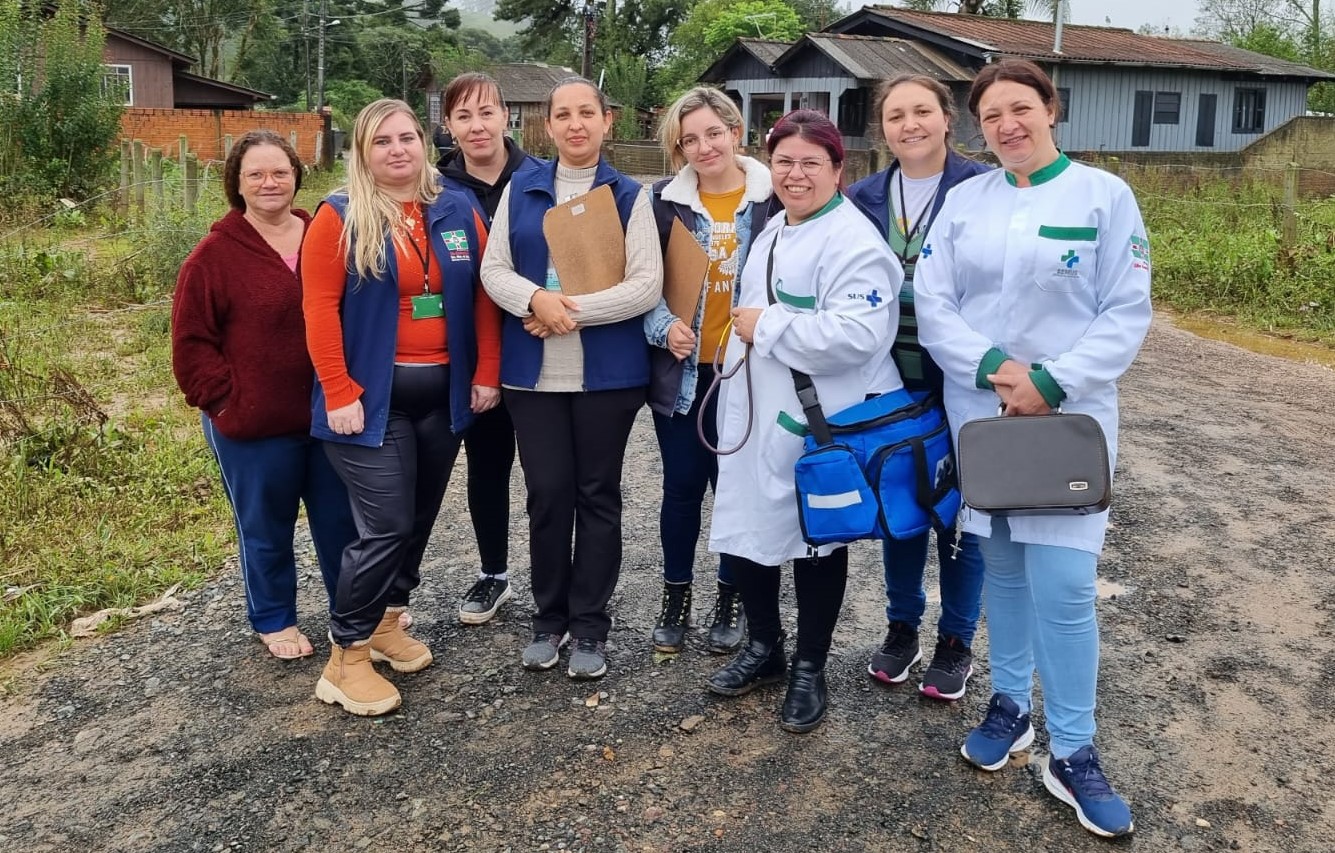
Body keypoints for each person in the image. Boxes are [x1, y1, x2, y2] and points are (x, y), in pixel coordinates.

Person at [914, 60, 1150, 837]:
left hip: (1066, 415)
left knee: (1064, 585)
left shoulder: (1102, 196)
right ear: (977, 128)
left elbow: (1123, 309)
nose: (1007, 125)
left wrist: (1050, 378)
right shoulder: (963, 201)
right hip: (980, 410)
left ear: (1051, 110)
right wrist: (991, 367)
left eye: (1021, 108)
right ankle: (1010, 705)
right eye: (991, 116)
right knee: (1003, 568)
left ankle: (1074, 751)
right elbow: (935, 299)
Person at [302, 98, 501, 716]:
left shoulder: (457, 208)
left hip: (442, 395)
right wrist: (338, 391)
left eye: (408, 137)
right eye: (382, 140)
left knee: (415, 520)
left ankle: (388, 621)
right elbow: (317, 311)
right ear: (362, 152)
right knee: (385, 524)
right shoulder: (340, 217)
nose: (398, 149)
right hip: (370, 402)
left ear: (425, 141)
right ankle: (347, 656)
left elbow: (486, 299)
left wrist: (487, 372)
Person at [705, 110, 902, 733]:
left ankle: (809, 666)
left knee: (818, 537)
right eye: (784, 162)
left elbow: (859, 335)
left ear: (838, 170)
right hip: (760, 415)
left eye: (810, 163)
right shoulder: (772, 230)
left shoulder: (854, 242)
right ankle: (765, 647)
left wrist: (767, 326)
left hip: (820, 422)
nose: (795, 175)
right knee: (754, 530)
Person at [481, 76, 662, 681]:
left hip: (606, 375)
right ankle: (547, 619)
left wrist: (565, 313)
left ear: (607, 122)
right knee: (548, 495)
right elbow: (494, 269)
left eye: (587, 112)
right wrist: (536, 297)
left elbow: (645, 285)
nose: (576, 124)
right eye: (564, 114)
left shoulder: (631, 196)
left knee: (598, 495)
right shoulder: (521, 189)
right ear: (547, 125)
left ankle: (590, 625)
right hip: (532, 378)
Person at [171, 130, 355, 662]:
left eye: (280, 171)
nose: (270, 182)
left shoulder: (324, 234)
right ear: (238, 183)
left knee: (341, 522)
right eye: (256, 174)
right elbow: (190, 345)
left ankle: (355, 613)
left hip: (327, 415)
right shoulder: (213, 257)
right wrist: (226, 403)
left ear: (298, 175)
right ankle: (274, 618)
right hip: (253, 425)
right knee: (265, 526)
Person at [847, 75, 990, 701]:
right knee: (901, 507)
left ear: (947, 118)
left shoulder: (982, 188)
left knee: (962, 515)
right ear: (883, 127)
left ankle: (956, 639)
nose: (911, 124)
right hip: (889, 381)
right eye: (897, 114)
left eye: (922, 112)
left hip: (961, 379)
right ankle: (902, 626)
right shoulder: (862, 197)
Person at [643, 86, 777, 656]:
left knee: (736, 493)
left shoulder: (772, 200)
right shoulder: (661, 203)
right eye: (690, 139)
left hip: (749, 374)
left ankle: (732, 595)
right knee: (681, 489)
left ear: (735, 132)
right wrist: (662, 324)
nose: (703, 147)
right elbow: (640, 279)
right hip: (685, 373)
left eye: (713, 133)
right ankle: (676, 596)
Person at [436, 72, 544, 626]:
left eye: (486, 112)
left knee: (551, 473)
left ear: (507, 116)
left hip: (540, 344)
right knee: (487, 464)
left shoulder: (541, 179)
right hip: (469, 354)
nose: (476, 126)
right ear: (449, 124)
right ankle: (494, 573)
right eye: (463, 116)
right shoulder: (435, 189)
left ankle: (559, 580)